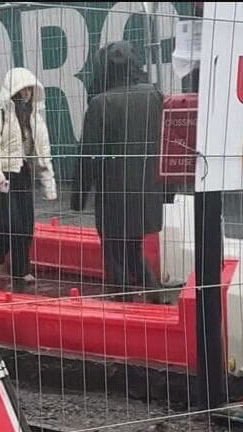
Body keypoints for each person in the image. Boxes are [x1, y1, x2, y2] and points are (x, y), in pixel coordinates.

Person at [75, 40, 164, 294]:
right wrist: (167, 191)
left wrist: (80, 196)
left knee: (114, 253)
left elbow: (88, 155)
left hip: (113, 193)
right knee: (134, 245)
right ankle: (153, 293)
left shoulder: (100, 103)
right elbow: (165, 142)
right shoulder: (154, 95)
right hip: (147, 190)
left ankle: (124, 299)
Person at [0, 67, 56, 286]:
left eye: (29, 89)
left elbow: (43, 151)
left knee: (26, 225)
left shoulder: (34, 118)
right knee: (10, 223)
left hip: (23, 174)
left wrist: (48, 182)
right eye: (22, 89)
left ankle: (21, 270)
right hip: (3, 175)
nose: (26, 93)